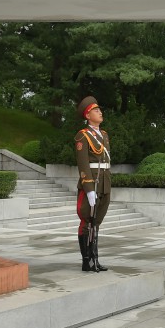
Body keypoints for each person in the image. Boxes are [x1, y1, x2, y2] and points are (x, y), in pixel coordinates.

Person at [75, 96, 111, 272]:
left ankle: (95, 259)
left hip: (104, 183)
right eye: (96, 110)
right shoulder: (83, 136)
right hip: (92, 184)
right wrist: (89, 189)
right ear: (88, 115)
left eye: (99, 110)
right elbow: (83, 164)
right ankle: (86, 260)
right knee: (87, 221)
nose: (100, 112)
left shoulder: (103, 135)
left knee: (97, 222)